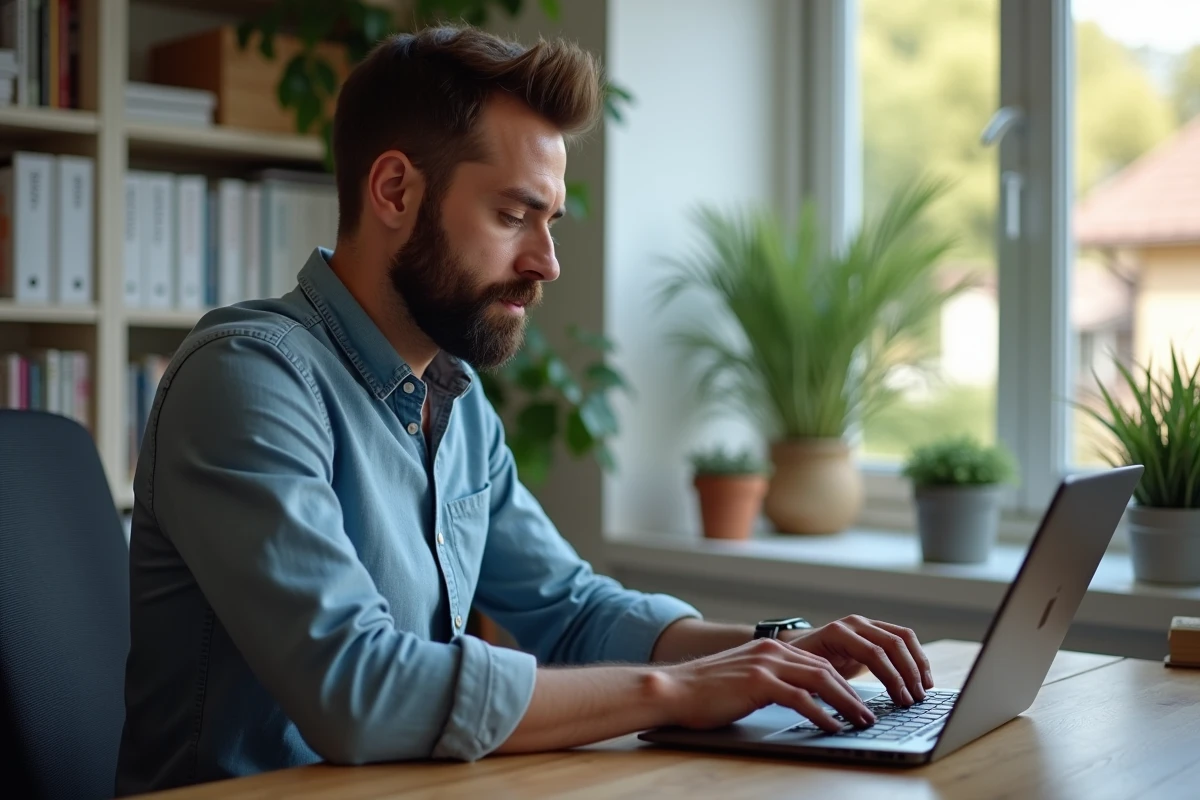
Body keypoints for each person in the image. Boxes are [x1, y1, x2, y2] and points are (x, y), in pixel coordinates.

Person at [115, 25, 934, 795]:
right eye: (512, 216)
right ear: (395, 189)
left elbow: (573, 611)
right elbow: (356, 690)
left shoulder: (454, 404)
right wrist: (674, 690)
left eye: (549, 221)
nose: (544, 262)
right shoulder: (249, 379)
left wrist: (778, 651)